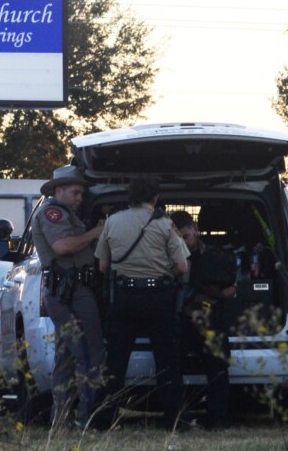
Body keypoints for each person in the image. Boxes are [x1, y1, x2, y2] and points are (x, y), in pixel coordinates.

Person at [93, 177, 189, 431]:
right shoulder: (164, 224)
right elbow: (182, 266)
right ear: (155, 198)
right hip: (158, 298)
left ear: (130, 197)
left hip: (124, 299)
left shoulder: (112, 222)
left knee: (116, 361)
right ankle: (174, 420)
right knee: (168, 360)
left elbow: (102, 266)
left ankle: (104, 420)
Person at [31, 165, 105, 428]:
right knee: (89, 351)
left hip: (70, 292)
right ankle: (89, 418)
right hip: (70, 293)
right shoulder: (53, 213)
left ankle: (61, 420)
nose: (79, 199)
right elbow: (62, 246)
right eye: (75, 193)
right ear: (58, 190)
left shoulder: (65, 214)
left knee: (67, 357)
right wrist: (95, 233)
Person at [170, 211, 236, 431]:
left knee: (218, 366)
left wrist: (218, 292)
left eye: (186, 237)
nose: (183, 243)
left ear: (195, 230)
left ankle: (216, 419)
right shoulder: (165, 257)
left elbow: (232, 287)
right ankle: (179, 418)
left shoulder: (216, 257)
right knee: (170, 363)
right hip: (180, 321)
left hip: (210, 319)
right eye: (177, 239)